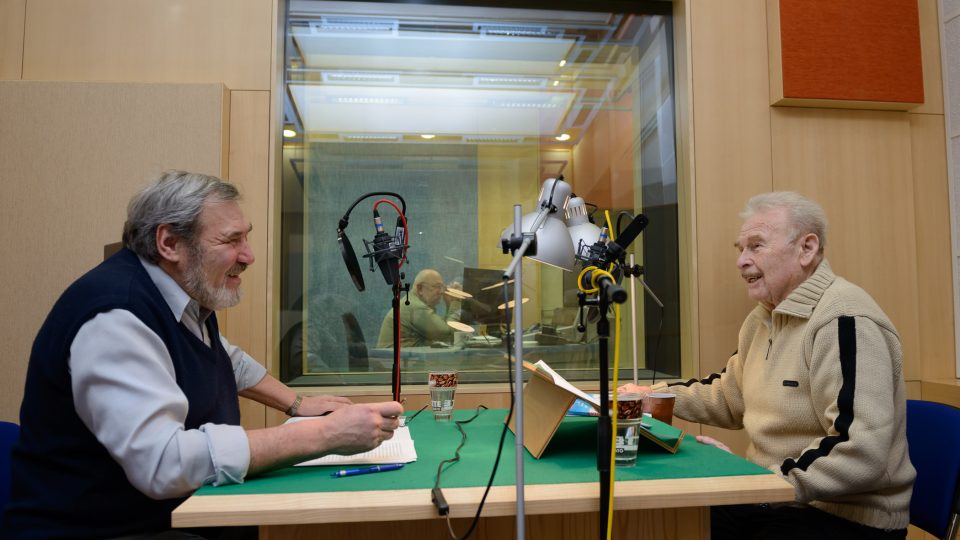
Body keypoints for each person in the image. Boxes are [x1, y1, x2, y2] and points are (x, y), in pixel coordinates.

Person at [3, 171, 404, 539]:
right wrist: (322, 434)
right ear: (169, 243)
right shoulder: (116, 317)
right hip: (102, 532)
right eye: (231, 241)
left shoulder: (182, 297)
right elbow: (162, 465)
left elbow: (223, 357)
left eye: (245, 238)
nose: (248, 256)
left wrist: (297, 403)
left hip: (172, 517)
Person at [620, 192, 914, 539]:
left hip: (845, 518)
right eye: (740, 249)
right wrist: (649, 396)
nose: (742, 261)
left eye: (756, 246)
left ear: (806, 249)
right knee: (666, 521)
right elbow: (729, 395)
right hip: (778, 499)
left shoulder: (844, 319)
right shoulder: (762, 320)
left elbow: (860, 449)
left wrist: (757, 482)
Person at [376, 269, 462, 347]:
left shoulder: (412, 302)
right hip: (396, 361)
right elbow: (446, 334)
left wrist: (449, 305)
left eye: (442, 287)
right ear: (420, 288)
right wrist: (456, 301)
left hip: (399, 359)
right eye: (437, 286)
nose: (441, 292)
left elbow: (442, 330)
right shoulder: (416, 308)